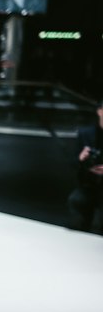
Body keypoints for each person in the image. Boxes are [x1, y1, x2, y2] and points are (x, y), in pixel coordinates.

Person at [67, 95, 103, 232]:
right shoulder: (85, 133)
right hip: (88, 185)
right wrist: (81, 158)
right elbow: (72, 164)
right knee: (77, 201)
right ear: (99, 111)